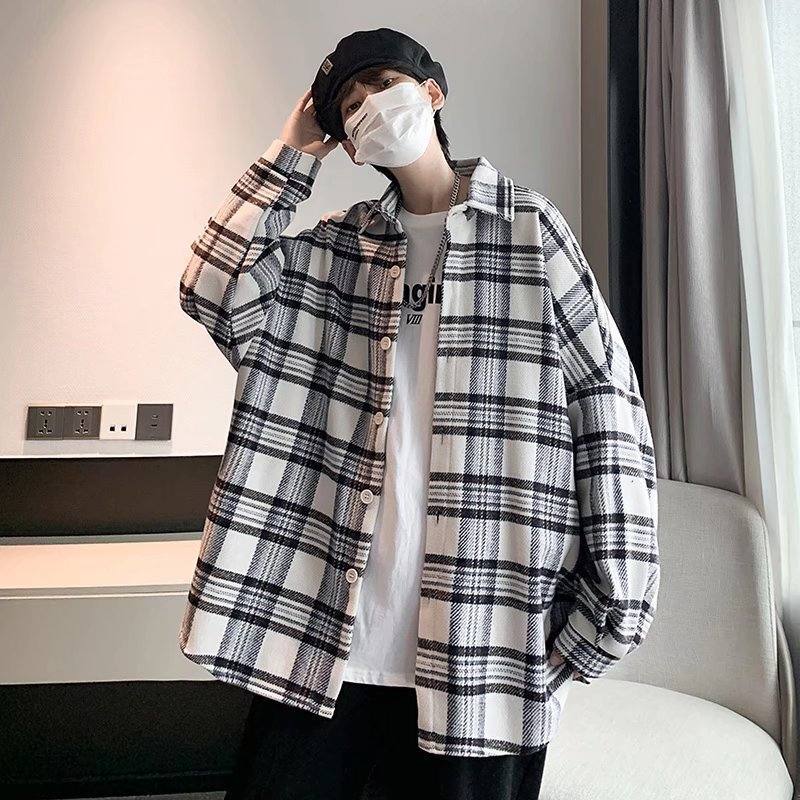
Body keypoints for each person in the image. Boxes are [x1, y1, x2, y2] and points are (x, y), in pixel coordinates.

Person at [178, 27, 660, 800]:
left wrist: (612, 609)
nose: (368, 106)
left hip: (485, 644)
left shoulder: (529, 232)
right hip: (325, 635)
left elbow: (609, 415)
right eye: (349, 104)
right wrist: (292, 153)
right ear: (350, 146)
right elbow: (212, 288)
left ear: (431, 92)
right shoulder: (336, 253)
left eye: (381, 84)